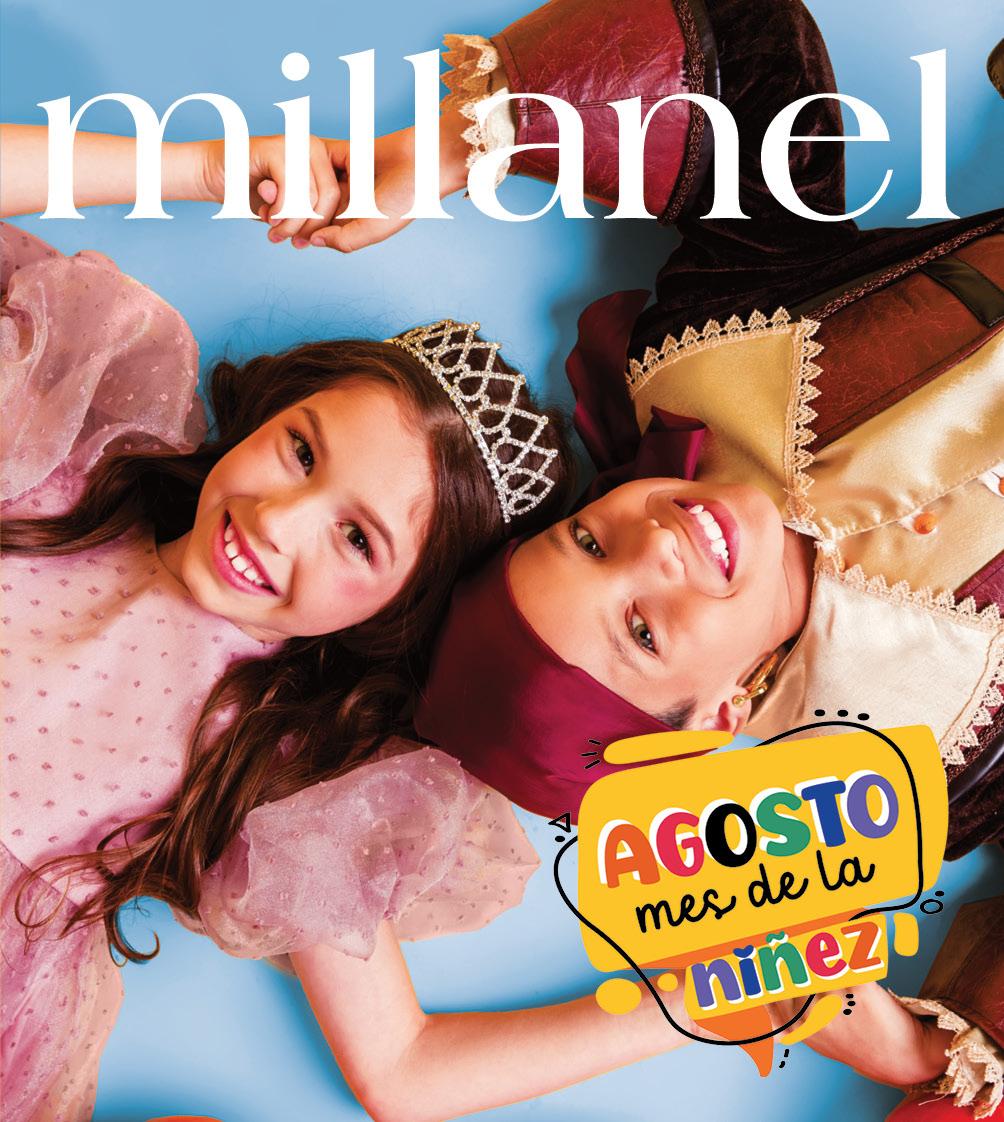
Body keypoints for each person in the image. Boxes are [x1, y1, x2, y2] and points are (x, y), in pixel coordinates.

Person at [290, 0, 1003, 1115]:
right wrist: (924, 1049)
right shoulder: (941, 769)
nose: (650, 544)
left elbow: (751, 64)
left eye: (585, 540)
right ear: (713, 719)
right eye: (640, 629)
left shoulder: (715, 347)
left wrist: (448, 151)